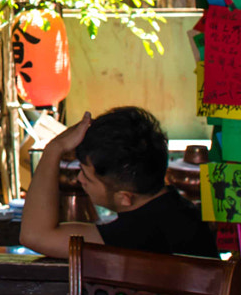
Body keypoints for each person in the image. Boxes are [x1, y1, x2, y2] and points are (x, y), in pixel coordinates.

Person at [21, 107, 219, 259]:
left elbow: (34, 235)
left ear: (125, 198)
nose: (80, 179)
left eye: (87, 176)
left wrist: (53, 149)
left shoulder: (133, 235)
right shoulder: (185, 212)